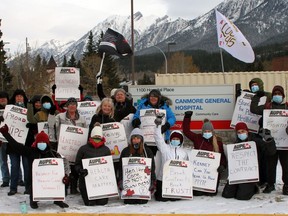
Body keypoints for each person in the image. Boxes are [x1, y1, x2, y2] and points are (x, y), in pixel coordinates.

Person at [0, 125, 69, 209]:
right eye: (40, 142)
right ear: (36, 143)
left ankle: (58, 200)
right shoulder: (31, 152)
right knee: (33, 188)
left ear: (47, 143)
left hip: (52, 180)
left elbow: (63, 166)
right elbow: (16, 146)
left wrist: (66, 175)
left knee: (63, 181)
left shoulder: (54, 154)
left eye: (44, 142)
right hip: (35, 181)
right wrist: (6, 134)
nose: (42, 144)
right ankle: (34, 200)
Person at [222, 122, 276, 200]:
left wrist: (269, 140)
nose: (241, 134)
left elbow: (271, 152)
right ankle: (241, 187)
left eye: (243, 131)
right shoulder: (236, 144)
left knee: (242, 196)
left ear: (247, 131)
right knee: (227, 194)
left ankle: (254, 188)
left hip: (252, 174)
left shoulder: (256, 142)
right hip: (239, 173)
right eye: (239, 132)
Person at [251, 85, 288, 194]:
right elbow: (253, 109)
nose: (277, 96)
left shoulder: (287, 107)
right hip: (270, 141)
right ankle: (270, 184)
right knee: (270, 165)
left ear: (283, 96)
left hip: (285, 142)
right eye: (275, 94)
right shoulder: (267, 107)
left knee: (286, 165)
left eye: (279, 94)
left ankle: (286, 185)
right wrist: (256, 97)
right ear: (272, 96)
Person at [182, 111, 227, 196]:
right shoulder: (197, 138)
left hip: (212, 174)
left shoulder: (218, 142)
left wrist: (223, 166)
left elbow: (222, 157)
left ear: (212, 131)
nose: (207, 133)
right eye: (205, 131)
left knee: (211, 194)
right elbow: (186, 131)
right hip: (199, 174)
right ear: (202, 131)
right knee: (197, 193)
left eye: (209, 131)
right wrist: (187, 117)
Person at [53, 97, 87, 194]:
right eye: (70, 104)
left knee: (75, 167)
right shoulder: (60, 117)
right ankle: (64, 187)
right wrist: (51, 114)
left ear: (76, 106)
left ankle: (73, 187)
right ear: (67, 106)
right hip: (64, 146)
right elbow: (52, 126)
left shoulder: (82, 119)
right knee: (65, 167)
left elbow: (85, 131)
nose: (72, 106)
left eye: (74, 104)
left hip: (77, 146)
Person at [153, 115, 188, 201]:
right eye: (174, 138)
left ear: (181, 141)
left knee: (175, 199)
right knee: (161, 198)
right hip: (163, 178)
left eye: (177, 139)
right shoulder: (165, 148)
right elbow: (158, 138)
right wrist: (158, 126)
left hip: (177, 180)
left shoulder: (184, 152)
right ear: (170, 139)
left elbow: (187, 167)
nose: (175, 140)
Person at [75, 123, 111, 206]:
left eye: (99, 137)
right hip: (86, 183)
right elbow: (77, 164)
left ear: (102, 137)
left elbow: (110, 167)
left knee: (102, 203)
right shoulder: (83, 149)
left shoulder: (106, 150)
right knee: (89, 203)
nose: (97, 139)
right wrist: (80, 170)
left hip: (101, 184)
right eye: (95, 137)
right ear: (91, 137)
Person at [118, 128, 156, 204]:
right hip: (129, 184)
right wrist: (121, 181)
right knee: (129, 201)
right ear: (131, 140)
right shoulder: (126, 151)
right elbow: (120, 168)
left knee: (142, 201)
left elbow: (152, 167)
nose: (136, 140)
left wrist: (152, 181)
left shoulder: (147, 151)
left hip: (142, 184)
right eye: (134, 138)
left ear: (141, 140)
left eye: (138, 138)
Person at [132, 89, 176, 154]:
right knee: (147, 157)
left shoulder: (164, 106)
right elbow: (136, 116)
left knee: (160, 158)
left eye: (155, 97)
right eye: (151, 96)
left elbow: (172, 118)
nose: (153, 98)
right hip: (146, 138)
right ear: (149, 97)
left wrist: (167, 125)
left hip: (161, 137)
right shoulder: (142, 105)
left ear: (159, 98)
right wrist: (135, 121)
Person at [7, 89, 29, 195]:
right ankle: (13, 187)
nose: (19, 98)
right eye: (17, 96)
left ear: (24, 98)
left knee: (26, 165)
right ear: (14, 97)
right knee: (14, 165)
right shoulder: (9, 109)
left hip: (25, 143)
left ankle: (28, 187)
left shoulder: (29, 109)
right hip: (13, 142)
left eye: (21, 96)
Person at [0, 91, 10, 187]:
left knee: (14, 160)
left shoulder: (12, 109)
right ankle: (5, 179)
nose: (2, 100)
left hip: (11, 138)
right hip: (1, 139)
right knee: (3, 160)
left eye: (4, 98)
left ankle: (18, 178)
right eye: (1, 98)